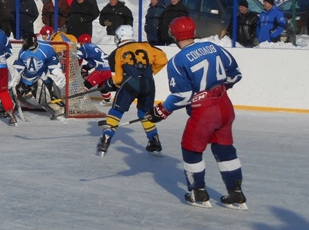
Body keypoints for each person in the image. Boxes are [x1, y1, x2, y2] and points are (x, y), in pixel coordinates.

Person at [144, 16, 247, 210]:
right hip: (225, 106)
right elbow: (235, 75)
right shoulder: (214, 47)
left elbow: (183, 96)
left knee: (191, 149)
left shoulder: (177, 61)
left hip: (204, 113)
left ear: (174, 34)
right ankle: (236, 193)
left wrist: (161, 111)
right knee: (224, 148)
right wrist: (217, 89)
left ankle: (197, 192)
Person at [97, 24, 167, 157]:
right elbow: (163, 59)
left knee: (117, 111)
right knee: (145, 112)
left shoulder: (117, 52)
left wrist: (108, 84)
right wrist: (149, 71)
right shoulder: (146, 45)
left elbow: (118, 79)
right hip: (148, 83)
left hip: (130, 83)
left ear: (119, 37)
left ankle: (106, 138)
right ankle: (154, 141)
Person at [11, 33, 66, 111]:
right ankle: (7, 106)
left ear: (31, 41)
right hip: (26, 79)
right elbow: (19, 65)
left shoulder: (46, 48)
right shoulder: (22, 51)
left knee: (47, 100)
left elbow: (53, 64)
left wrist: (58, 73)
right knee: (11, 92)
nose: (23, 43)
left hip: (41, 79)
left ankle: (59, 107)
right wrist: (13, 77)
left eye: (25, 41)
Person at [76, 33, 113, 105]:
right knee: (102, 87)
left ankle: (78, 103)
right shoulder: (93, 46)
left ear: (83, 42)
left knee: (85, 85)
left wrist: (66, 54)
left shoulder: (85, 47)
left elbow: (76, 56)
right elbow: (94, 62)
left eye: (80, 43)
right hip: (111, 69)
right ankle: (107, 101)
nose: (80, 45)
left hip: (102, 70)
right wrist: (86, 68)